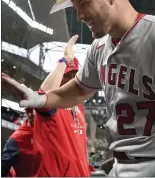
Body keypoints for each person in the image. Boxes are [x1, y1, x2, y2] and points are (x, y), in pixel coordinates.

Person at [2, 0, 155, 176]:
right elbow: (80, 89)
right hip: (120, 166)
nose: (79, 16)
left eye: (83, 3)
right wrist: (40, 99)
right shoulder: (98, 48)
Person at [2, 37, 91, 177]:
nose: (72, 79)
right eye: (68, 75)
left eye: (75, 75)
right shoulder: (54, 103)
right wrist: (65, 60)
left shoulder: (78, 106)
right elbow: (44, 95)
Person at [1, 108, 41, 177]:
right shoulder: (16, 139)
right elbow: (3, 169)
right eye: (30, 109)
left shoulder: (47, 131)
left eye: (37, 109)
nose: (33, 113)